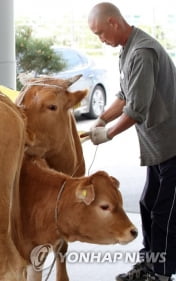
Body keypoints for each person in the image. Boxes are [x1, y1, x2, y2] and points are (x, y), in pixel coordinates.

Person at [85, 2, 176, 281]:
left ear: (114, 22)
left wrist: (108, 134)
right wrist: (101, 119)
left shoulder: (142, 52)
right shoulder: (127, 50)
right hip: (157, 149)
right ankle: (150, 264)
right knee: (148, 204)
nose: (101, 39)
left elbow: (137, 109)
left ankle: (160, 273)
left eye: (101, 33)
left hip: (173, 147)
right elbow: (124, 96)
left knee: (166, 213)